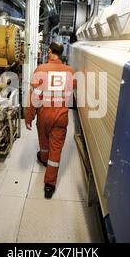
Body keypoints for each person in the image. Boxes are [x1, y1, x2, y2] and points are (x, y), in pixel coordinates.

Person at [25, 41, 76, 199]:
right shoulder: (70, 71)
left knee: (44, 141)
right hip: (61, 116)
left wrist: (28, 117)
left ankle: (44, 158)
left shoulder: (41, 69)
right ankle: (49, 185)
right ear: (62, 53)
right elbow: (73, 88)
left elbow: (34, 97)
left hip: (44, 115)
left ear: (49, 51)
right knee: (56, 148)